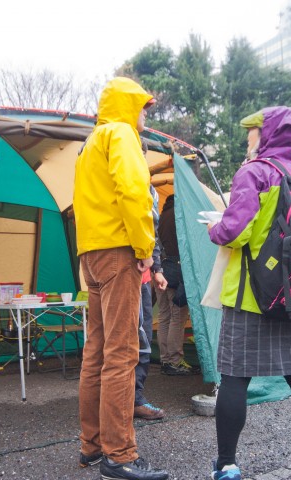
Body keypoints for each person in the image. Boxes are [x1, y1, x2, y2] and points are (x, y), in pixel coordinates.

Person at [207, 106, 291, 480]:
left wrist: (215, 227)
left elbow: (235, 231)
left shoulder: (254, 173)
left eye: (252, 134)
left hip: (251, 295)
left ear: (268, 134)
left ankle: (227, 464)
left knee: (234, 379)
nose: (249, 141)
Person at [73, 76, 169, 480]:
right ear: (131, 105)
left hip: (91, 254)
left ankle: (92, 446)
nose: (147, 114)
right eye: (145, 106)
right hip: (119, 251)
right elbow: (133, 191)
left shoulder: (89, 143)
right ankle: (121, 454)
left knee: (96, 351)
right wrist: (145, 249)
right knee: (123, 352)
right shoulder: (122, 135)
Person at [134, 183, 169, 421]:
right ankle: (125, 402)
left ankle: (135, 399)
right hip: (126, 276)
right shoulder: (127, 180)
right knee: (133, 342)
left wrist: (156, 268)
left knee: (143, 337)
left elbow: (151, 231)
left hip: (143, 278)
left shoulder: (149, 188)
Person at [156, 194, 200, 376]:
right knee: (178, 316)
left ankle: (165, 360)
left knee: (164, 316)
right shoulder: (179, 215)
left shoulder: (161, 215)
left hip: (160, 269)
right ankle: (175, 361)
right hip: (176, 271)